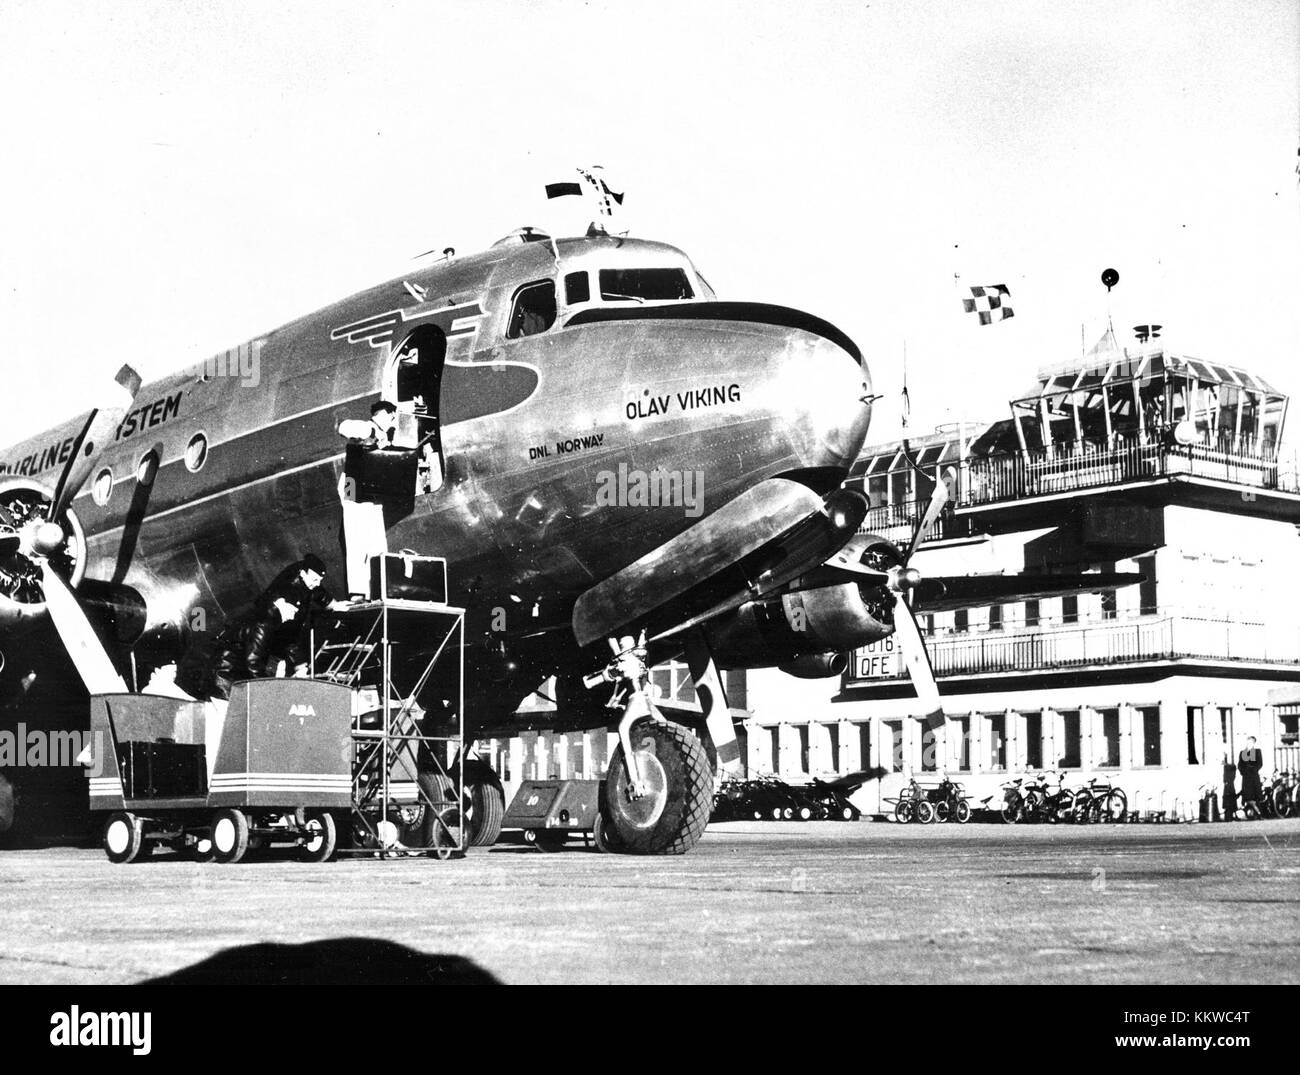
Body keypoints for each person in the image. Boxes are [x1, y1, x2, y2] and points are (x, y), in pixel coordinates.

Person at [208, 597, 299, 700]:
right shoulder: (265, 624)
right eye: (294, 609)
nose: (293, 616)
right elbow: (253, 663)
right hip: (227, 680)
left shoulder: (262, 615)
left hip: (222, 675)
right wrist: (270, 688)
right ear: (281, 602)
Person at [1238, 736, 1264, 817]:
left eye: (1250, 742)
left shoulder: (1257, 751)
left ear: (1253, 743)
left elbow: (1260, 763)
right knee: (1247, 795)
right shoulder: (1243, 752)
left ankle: (1259, 813)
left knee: (1256, 795)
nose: (1248, 744)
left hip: (1254, 776)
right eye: (1247, 742)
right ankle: (1250, 812)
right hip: (1246, 777)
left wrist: (1254, 770)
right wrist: (1243, 771)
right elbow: (1240, 764)